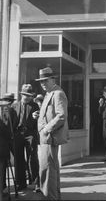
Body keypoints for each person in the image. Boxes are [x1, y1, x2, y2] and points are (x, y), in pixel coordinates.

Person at [35, 66, 69, 200]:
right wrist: (38, 115)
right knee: (49, 170)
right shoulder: (49, 94)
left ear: (52, 79)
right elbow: (50, 113)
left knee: (48, 170)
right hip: (46, 138)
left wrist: (46, 129)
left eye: (45, 80)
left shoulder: (58, 93)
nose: (42, 84)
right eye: (41, 81)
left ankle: (50, 198)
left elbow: (61, 116)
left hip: (50, 137)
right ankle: (53, 197)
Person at [12, 84, 40, 192]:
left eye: (29, 95)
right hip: (18, 134)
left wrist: (34, 118)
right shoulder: (14, 106)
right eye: (25, 95)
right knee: (18, 159)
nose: (27, 97)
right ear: (21, 94)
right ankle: (21, 183)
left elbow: (37, 121)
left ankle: (36, 182)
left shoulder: (35, 106)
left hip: (30, 134)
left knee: (32, 158)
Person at [1, 93, 18, 196]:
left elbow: (10, 125)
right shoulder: (6, 109)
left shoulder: (9, 110)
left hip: (7, 140)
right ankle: (2, 187)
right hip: (6, 141)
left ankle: (3, 187)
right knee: (3, 166)